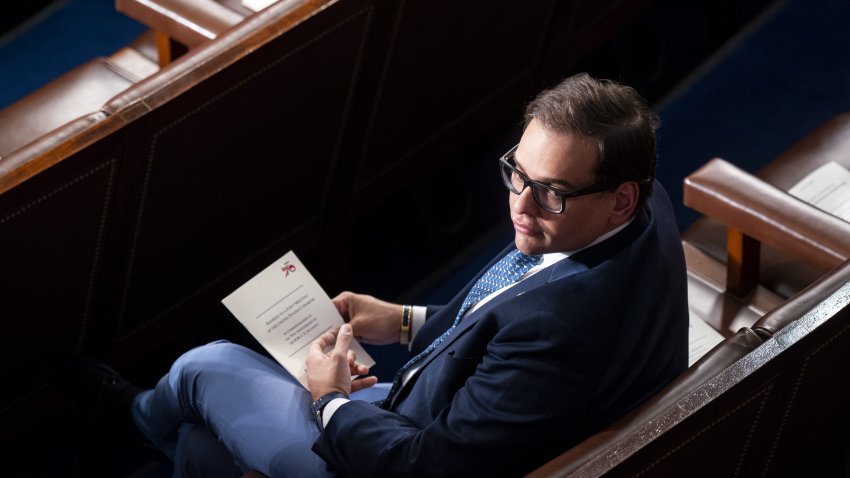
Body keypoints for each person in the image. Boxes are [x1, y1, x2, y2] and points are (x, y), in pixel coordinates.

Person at [63, 72, 688, 477]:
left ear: (619, 198)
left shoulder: (561, 332)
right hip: (455, 414)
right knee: (202, 450)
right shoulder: (642, 208)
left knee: (209, 366)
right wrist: (406, 321)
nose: (519, 205)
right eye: (516, 174)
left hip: (396, 453)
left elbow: (425, 467)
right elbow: (512, 307)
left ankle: (139, 416)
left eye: (549, 191)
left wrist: (330, 399)